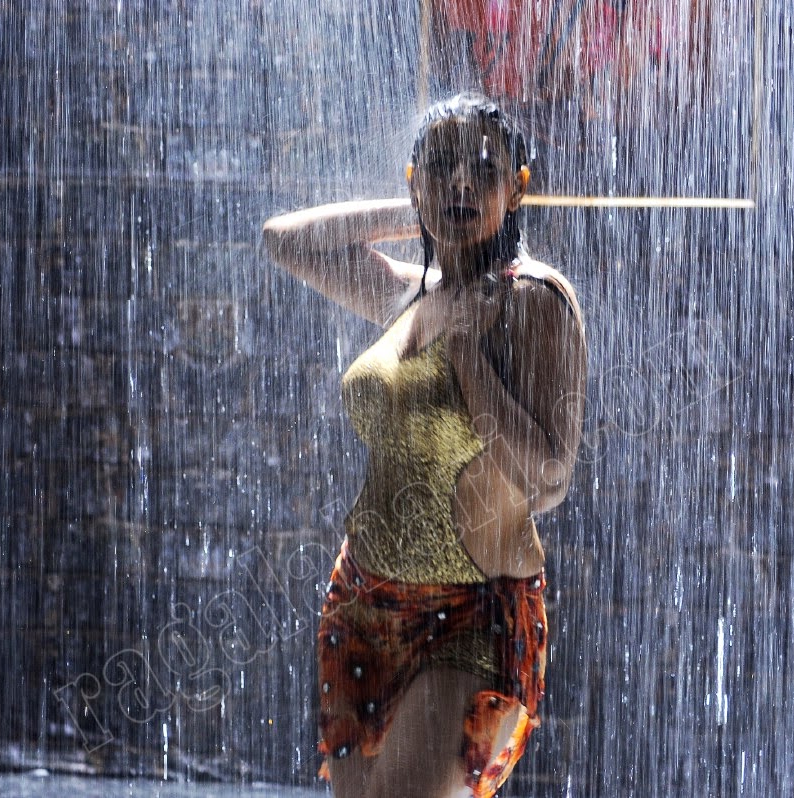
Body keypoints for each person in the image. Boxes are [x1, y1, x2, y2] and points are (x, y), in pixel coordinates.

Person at [262, 93, 587, 798]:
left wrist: (470, 361)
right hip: (361, 601)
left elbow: (550, 480)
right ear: (414, 181)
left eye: (483, 170)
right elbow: (284, 240)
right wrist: (421, 211)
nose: (461, 183)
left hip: (472, 614)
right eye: (441, 168)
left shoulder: (533, 300)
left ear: (517, 187)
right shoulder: (410, 294)